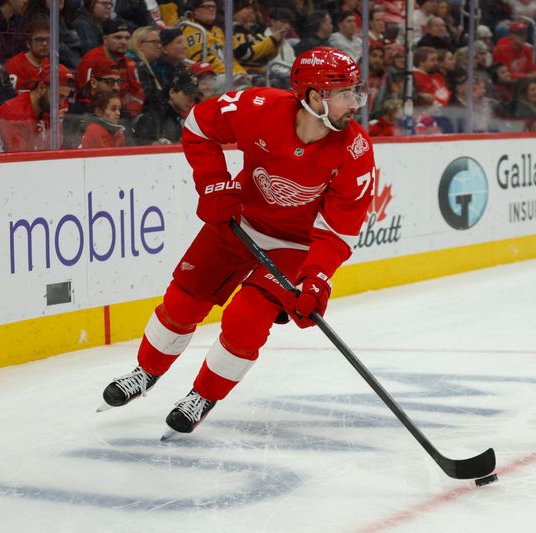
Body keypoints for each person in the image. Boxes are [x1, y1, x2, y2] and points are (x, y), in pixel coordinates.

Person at [98, 47, 376, 437]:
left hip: (293, 246)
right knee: (183, 302)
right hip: (237, 223)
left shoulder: (355, 150)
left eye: (355, 92)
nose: (355, 103)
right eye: (345, 93)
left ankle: (203, 396)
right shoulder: (258, 107)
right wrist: (212, 181)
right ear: (315, 97)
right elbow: (198, 125)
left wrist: (316, 279)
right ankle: (146, 372)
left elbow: (340, 228)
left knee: (246, 320)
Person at [0, 61, 75, 151]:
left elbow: (58, 153)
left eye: (65, 98)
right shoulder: (14, 114)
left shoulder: (48, 111)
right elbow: (18, 162)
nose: (61, 104)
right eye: (59, 96)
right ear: (41, 87)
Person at [76, 18, 145, 118]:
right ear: (105, 39)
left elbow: (137, 95)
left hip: (121, 113)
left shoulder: (129, 63)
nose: (124, 42)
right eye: (118, 37)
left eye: (127, 38)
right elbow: (83, 97)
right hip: (94, 113)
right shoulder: (91, 60)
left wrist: (128, 114)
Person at [133, 70, 199, 144]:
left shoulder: (180, 120)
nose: (191, 99)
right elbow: (140, 144)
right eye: (187, 93)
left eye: (194, 96)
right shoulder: (153, 116)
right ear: (172, 92)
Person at [4, 16, 51, 93]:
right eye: (39, 40)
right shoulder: (15, 65)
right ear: (28, 43)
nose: (45, 44)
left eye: (48, 40)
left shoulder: (48, 63)